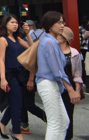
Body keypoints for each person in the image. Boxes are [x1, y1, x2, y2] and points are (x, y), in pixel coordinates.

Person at [36, 12, 80, 140]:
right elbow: (57, 70)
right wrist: (71, 89)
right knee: (55, 122)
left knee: (63, 121)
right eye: (59, 22)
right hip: (48, 83)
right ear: (49, 24)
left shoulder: (47, 39)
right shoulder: (50, 42)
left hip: (51, 84)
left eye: (63, 22)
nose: (62, 25)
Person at [0, 14, 31, 140]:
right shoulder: (3, 39)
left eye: (16, 22)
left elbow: (31, 48)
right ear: (5, 24)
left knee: (16, 102)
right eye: (12, 22)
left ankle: (2, 123)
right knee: (18, 104)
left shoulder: (18, 38)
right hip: (9, 75)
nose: (15, 25)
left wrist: (28, 33)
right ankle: (16, 132)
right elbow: (2, 60)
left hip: (19, 74)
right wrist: (3, 79)